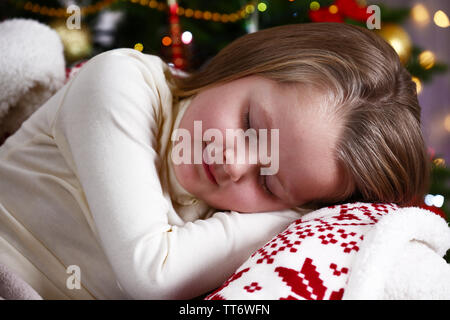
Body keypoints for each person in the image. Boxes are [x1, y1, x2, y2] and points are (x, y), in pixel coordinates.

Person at [0, 22, 429, 300]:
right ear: (244, 65)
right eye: (249, 126)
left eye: (268, 182)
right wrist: (284, 216)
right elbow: (154, 275)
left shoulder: (231, 225)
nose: (232, 164)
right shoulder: (119, 83)